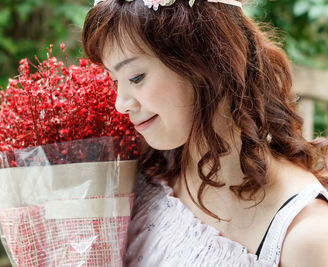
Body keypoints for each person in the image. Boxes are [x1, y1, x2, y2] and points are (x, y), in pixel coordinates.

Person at [81, 0, 328, 266]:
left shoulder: (307, 235)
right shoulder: (148, 167)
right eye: (114, 81)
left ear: (206, 60)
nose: (120, 104)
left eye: (136, 77)